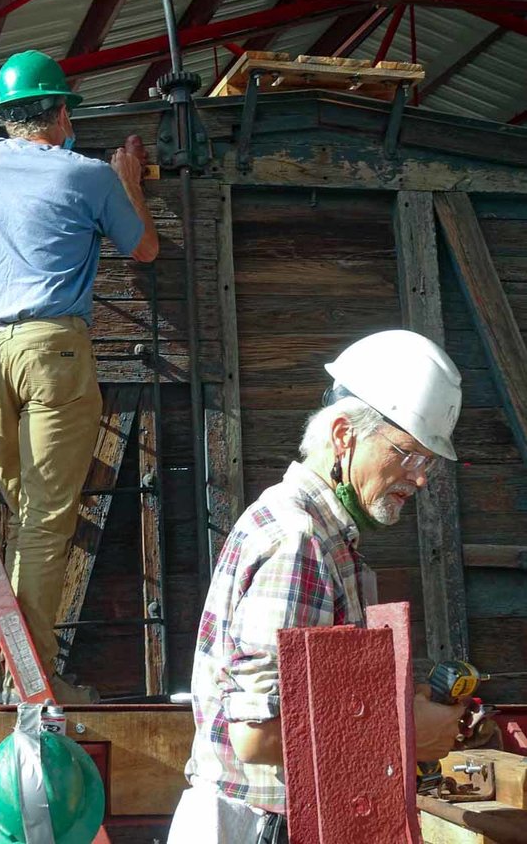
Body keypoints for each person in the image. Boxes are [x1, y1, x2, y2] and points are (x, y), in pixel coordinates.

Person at [168, 329, 468, 843]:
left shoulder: (321, 534)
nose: (419, 478)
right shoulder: (298, 540)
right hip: (260, 828)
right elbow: (257, 736)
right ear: (345, 435)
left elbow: (312, 699)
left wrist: (391, 699)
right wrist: (401, 728)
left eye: (429, 462)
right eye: (409, 455)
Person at [0, 49, 159, 704]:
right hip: (54, 351)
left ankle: (20, 667)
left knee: (25, 516)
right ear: (61, 110)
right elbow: (144, 248)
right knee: (47, 521)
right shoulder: (89, 177)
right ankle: (35, 682)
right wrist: (126, 177)